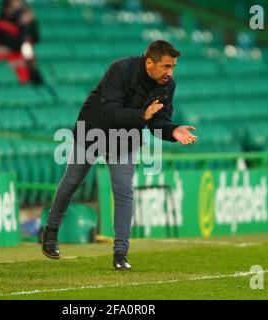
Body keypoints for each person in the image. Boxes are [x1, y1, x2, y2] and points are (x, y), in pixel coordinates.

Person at [40, 40, 198, 270]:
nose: (170, 73)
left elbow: (158, 122)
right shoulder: (120, 70)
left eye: (173, 66)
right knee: (72, 181)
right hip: (94, 129)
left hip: (126, 137)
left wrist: (172, 130)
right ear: (149, 62)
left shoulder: (167, 85)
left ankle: (120, 254)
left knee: (124, 192)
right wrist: (143, 114)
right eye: (166, 66)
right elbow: (110, 112)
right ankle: (51, 232)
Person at [0, 0, 44, 85]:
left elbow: (35, 38)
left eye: (20, 6)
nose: (18, 10)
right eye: (15, 7)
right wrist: (24, 26)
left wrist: (31, 22)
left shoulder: (17, 26)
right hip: (7, 68)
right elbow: (17, 44)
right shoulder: (1, 26)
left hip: (23, 67)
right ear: (6, 8)